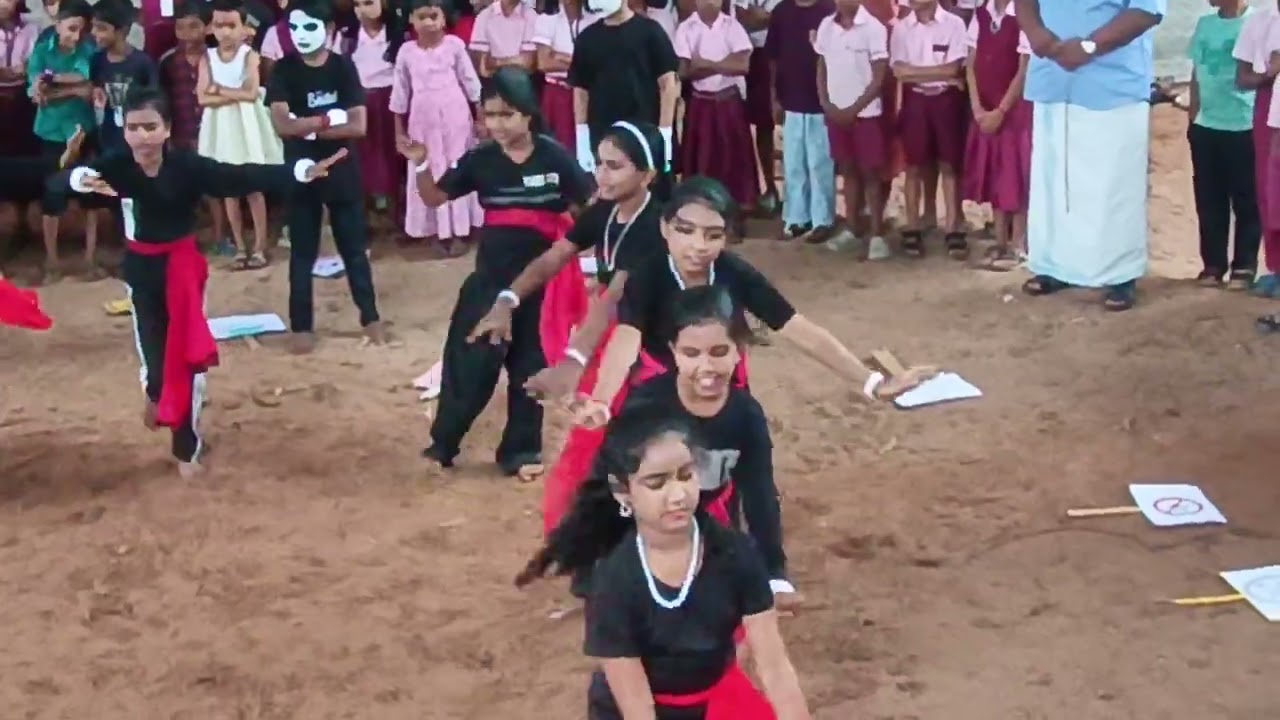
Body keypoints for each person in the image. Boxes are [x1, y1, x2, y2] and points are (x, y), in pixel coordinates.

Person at [60, 87, 345, 479]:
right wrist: (78, 178)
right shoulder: (115, 164)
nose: (142, 136)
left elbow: (239, 176)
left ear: (166, 129)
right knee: (154, 356)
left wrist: (298, 171)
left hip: (181, 268)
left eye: (150, 127)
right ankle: (157, 394)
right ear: (124, 131)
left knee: (187, 356)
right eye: (134, 128)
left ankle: (185, 447)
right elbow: (60, 182)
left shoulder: (187, 167)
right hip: (141, 271)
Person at [514, 407, 812, 720]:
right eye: (657, 483)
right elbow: (637, 708)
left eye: (686, 475)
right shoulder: (614, 580)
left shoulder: (736, 553)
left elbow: (774, 667)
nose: (678, 495)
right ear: (622, 492)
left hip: (715, 704)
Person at [575, 176, 935, 427]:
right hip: (660, 389)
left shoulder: (735, 273)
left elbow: (799, 329)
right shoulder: (648, 275)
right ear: (665, 228)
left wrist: (872, 382)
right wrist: (602, 400)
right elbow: (626, 338)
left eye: (712, 235)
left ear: (726, 238)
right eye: (685, 231)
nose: (698, 245)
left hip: (720, 383)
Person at [467, 121, 666, 533]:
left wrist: (573, 363)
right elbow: (552, 259)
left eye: (615, 166)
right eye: (599, 163)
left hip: (662, 352)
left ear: (647, 174)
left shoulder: (652, 227)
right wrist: (507, 301)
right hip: (627, 344)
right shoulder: (606, 212)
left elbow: (613, 299)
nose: (601, 174)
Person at [398, 67, 594, 476]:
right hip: (489, 279)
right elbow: (435, 197)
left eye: (507, 114)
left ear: (528, 114)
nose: (498, 124)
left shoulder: (555, 157)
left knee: (530, 366)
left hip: (541, 285)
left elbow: (587, 210)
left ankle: (521, 453)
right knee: (469, 361)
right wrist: (419, 165)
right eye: (490, 115)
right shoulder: (480, 160)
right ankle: (443, 445)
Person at [1015, 0, 1165, 312]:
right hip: (1053, 79)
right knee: (1056, 185)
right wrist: (1036, 32)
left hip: (1112, 84)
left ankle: (1120, 275)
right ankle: (1055, 267)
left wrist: (1089, 46)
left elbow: (1145, 11)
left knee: (1113, 188)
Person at [266, 0, 385, 352]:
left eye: (310, 27)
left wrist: (308, 129)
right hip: (301, 172)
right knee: (302, 252)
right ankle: (301, 326)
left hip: (342, 169)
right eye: (295, 28)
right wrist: (326, 121)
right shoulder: (283, 71)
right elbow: (281, 125)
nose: (301, 36)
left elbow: (359, 125)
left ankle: (371, 317)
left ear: (330, 30)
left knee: (353, 249)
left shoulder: (343, 68)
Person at [391, 0, 484, 255]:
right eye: (422, 17)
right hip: (422, 123)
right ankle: (437, 231)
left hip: (456, 120)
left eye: (434, 16)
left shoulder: (454, 46)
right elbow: (400, 95)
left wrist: (481, 118)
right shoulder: (406, 52)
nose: (429, 22)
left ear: (444, 19)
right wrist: (399, 132)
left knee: (457, 169)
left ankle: (461, 231)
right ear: (412, 19)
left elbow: (471, 84)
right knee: (429, 171)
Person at [199, 0, 283, 271]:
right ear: (211, 27)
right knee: (229, 192)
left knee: (253, 188)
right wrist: (232, 94)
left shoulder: (250, 56)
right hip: (221, 128)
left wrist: (219, 90)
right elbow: (202, 97)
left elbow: (250, 93)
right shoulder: (207, 58)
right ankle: (239, 246)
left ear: (244, 28)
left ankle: (259, 246)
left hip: (248, 127)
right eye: (219, 25)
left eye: (231, 26)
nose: (225, 32)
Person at [1185, 0, 1257, 289]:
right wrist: (1193, 117)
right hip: (1206, 125)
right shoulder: (1205, 24)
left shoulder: (1256, 24)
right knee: (1209, 198)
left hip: (1244, 125)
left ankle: (1244, 267)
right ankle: (1213, 265)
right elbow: (1196, 73)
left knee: (1246, 199)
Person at [890, 0, 968, 259]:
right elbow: (899, 72)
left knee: (949, 164)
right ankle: (912, 225)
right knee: (913, 165)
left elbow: (955, 68)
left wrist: (918, 73)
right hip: (916, 101)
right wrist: (941, 74)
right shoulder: (901, 28)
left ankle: (953, 226)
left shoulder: (954, 24)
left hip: (945, 101)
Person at [569, 0, 679, 180]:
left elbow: (668, 83)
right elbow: (581, 90)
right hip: (604, 132)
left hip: (645, 130)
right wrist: (581, 135)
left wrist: (665, 132)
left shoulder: (651, 32)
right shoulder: (586, 38)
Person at [814, 0, 890, 259]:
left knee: (871, 172)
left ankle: (877, 234)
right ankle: (852, 227)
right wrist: (826, 102)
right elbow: (822, 65)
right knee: (847, 171)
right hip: (836, 112)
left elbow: (879, 77)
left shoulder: (874, 28)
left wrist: (854, 109)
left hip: (866, 115)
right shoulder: (826, 26)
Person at [28, 0, 95, 283]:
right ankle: (52, 260)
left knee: (92, 192)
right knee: (51, 194)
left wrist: (52, 82)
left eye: (81, 30)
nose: (75, 36)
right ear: (57, 26)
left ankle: (90, 260)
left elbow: (85, 81)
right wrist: (72, 90)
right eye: (70, 29)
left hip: (83, 131)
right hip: (52, 133)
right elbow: (35, 93)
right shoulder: (42, 51)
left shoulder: (89, 51)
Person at [963, 0, 1032, 271]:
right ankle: (1000, 240)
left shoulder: (1024, 13)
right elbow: (970, 63)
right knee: (994, 172)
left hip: (1014, 110)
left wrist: (1001, 110)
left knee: (1016, 173)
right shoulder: (981, 13)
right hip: (985, 105)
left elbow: (1023, 69)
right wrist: (977, 108)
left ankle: (1018, 244)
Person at [674, 0, 758, 210]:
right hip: (701, 103)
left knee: (734, 162)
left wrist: (706, 63)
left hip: (728, 102)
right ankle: (702, 209)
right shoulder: (686, 27)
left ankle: (735, 213)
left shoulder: (733, 26)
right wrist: (725, 64)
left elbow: (743, 65)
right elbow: (684, 71)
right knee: (703, 162)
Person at [765, 0, 837, 243]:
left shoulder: (829, 11)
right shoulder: (782, 11)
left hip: (821, 101)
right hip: (791, 99)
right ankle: (797, 217)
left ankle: (822, 219)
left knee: (820, 163)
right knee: (793, 163)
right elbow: (773, 58)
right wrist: (774, 96)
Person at [160, 0, 227, 250]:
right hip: (181, 134)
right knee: (184, 189)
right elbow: (163, 100)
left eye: (193, 27)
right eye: (181, 28)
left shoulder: (218, 58)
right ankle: (186, 239)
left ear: (208, 27)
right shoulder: (168, 62)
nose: (187, 34)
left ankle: (221, 237)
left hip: (213, 132)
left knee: (215, 189)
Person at [1234, 0, 1280, 299]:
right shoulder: (1261, 21)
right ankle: (1277, 268)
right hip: (1268, 108)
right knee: (1269, 192)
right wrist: (1271, 73)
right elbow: (1243, 78)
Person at [344, 0, 402, 217]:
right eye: (357, 4)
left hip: (389, 101)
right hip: (360, 102)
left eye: (368, 2)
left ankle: (397, 211)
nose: (362, 9)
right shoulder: (348, 38)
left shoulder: (396, 35)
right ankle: (365, 214)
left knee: (392, 156)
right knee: (362, 157)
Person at [732, 0, 782, 213]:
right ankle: (760, 190)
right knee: (749, 124)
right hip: (746, 54)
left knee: (773, 123)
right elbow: (743, 18)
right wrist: (769, 18)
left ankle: (776, 190)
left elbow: (783, 19)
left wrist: (769, 19)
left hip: (779, 54)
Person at [533, 0, 596, 149]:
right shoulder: (546, 20)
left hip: (589, 92)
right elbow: (544, 63)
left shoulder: (596, 20)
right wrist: (579, 62)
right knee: (559, 147)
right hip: (558, 92)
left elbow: (598, 62)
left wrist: (562, 57)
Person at [0, 0, 39, 158]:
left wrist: (29, 68)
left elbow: (40, 64)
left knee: (21, 151)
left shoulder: (34, 29)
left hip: (23, 96)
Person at [469, 0, 536, 78]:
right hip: (490, 80)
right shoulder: (484, 16)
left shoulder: (531, 16)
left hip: (522, 79)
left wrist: (496, 62)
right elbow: (482, 65)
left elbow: (528, 62)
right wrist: (514, 60)